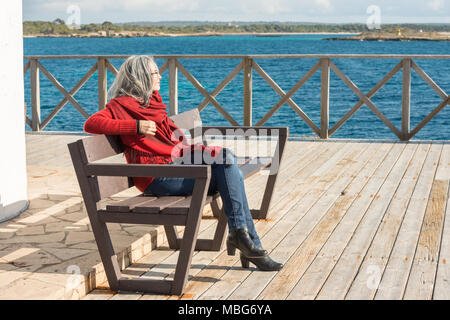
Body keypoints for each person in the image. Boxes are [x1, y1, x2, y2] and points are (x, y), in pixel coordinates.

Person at [84, 55, 283, 271]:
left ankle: (243, 238)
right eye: (154, 73)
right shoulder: (121, 105)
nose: (160, 76)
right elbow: (91, 123)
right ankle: (247, 243)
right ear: (140, 77)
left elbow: (170, 142)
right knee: (230, 172)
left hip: (174, 166)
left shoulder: (153, 102)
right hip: (156, 178)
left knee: (228, 167)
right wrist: (134, 126)